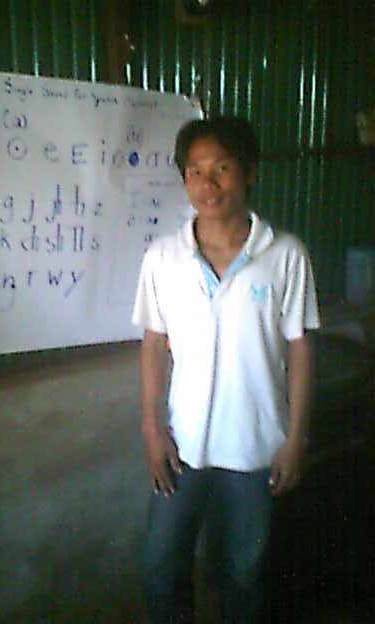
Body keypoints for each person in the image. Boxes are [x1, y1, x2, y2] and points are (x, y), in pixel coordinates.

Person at [132, 117, 320, 624]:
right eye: (195, 171)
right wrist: (152, 428)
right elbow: (154, 345)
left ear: (249, 172)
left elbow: (300, 349)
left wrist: (296, 437)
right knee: (160, 568)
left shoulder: (285, 255)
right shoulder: (164, 257)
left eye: (222, 168)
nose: (208, 184)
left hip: (256, 448)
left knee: (242, 574)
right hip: (183, 447)